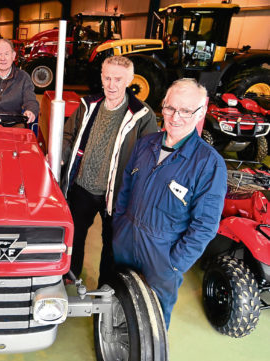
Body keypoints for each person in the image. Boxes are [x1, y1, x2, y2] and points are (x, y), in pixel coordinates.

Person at [112, 78, 228, 328]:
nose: (175, 117)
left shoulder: (208, 164)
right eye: (170, 108)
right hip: (126, 240)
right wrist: (119, 227)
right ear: (162, 106)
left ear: (201, 113)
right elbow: (124, 190)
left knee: (152, 321)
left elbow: (205, 225)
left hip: (163, 254)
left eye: (186, 111)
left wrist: (174, 264)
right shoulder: (145, 144)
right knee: (119, 299)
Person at [60, 55, 158, 283]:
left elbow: (149, 158)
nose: (112, 85)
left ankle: (106, 288)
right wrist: (62, 156)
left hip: (115, 196)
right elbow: (67, 135)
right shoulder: (88, 105)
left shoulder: (142, 115)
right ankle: (70, 274)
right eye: (107, 78)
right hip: (81, 187)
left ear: (130, 80)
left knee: (111, 244)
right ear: (101, 77)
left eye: (118, 79)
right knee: (73, 236)